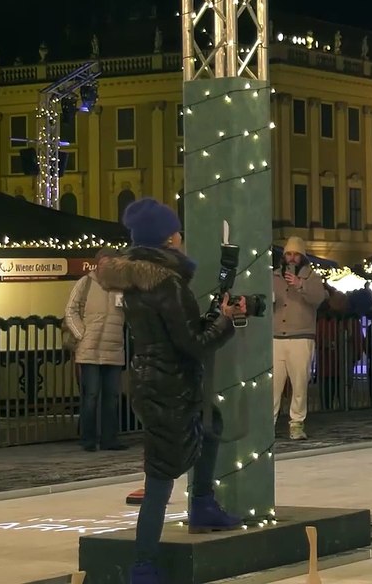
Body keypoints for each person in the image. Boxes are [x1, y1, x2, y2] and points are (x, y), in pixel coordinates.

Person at [97, 197, 246, 584]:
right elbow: (193, 343)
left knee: (211, 424)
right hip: (170, 384)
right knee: (160, 476)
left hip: (154, 379)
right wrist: (226, 322)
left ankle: (202, 505)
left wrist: (214, 317)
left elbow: (178, 332)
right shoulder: (168, 284)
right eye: (176, 230)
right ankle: (143, 565)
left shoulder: (138, 282)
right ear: (167, 240)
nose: (181, 236)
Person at [64, 247, 129, 452]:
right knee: (90, 395)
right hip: (89, 349)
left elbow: (130, 312)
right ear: (98, 264)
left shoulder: (123, 287)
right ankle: (88, 439)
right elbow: (70, 310)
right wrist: (80, 334)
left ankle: (110, 439)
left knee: (111, 396)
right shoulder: (86, 283)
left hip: (113, 349)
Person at [271, 236, 327, 440]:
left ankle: (296, 423)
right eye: (288, 254)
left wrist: (300, 285)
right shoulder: (274, 276)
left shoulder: (312, 277)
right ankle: (270, 423)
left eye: (296, 254)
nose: (292, 258)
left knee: (300, 382)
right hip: (277, 336)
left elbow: (318, 298)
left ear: (302, 256)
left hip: (301, 336)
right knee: (274, 384)